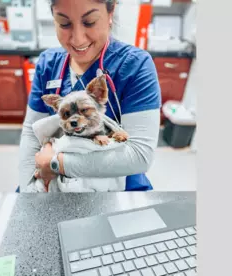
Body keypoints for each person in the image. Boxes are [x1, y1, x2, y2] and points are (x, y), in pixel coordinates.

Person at [19, 0, 161, 192]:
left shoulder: (136, 65)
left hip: (118, 188)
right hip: (51, 187)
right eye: (64, 23)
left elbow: (139, 155)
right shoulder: (48, 63)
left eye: (90, 22)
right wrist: (29, 191)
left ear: (111, 12)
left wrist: (56, 163)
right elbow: (31, 134)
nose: (77, 40)